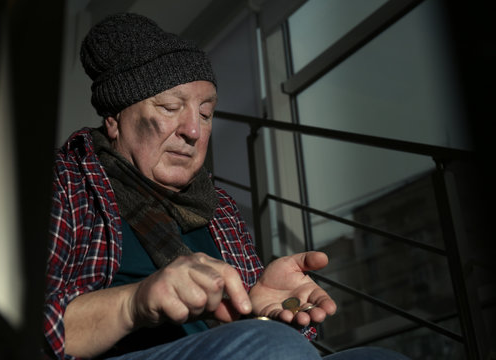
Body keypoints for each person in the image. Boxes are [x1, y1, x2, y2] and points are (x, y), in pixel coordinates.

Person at [43, 13, 410, 360]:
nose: (193, 131)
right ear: (114, 121)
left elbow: (250, 337)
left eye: (205, 113)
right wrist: (134, 302)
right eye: (170, 107)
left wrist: (259, 305)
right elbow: (27, 325)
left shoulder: (219, 208)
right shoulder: (66, 183)